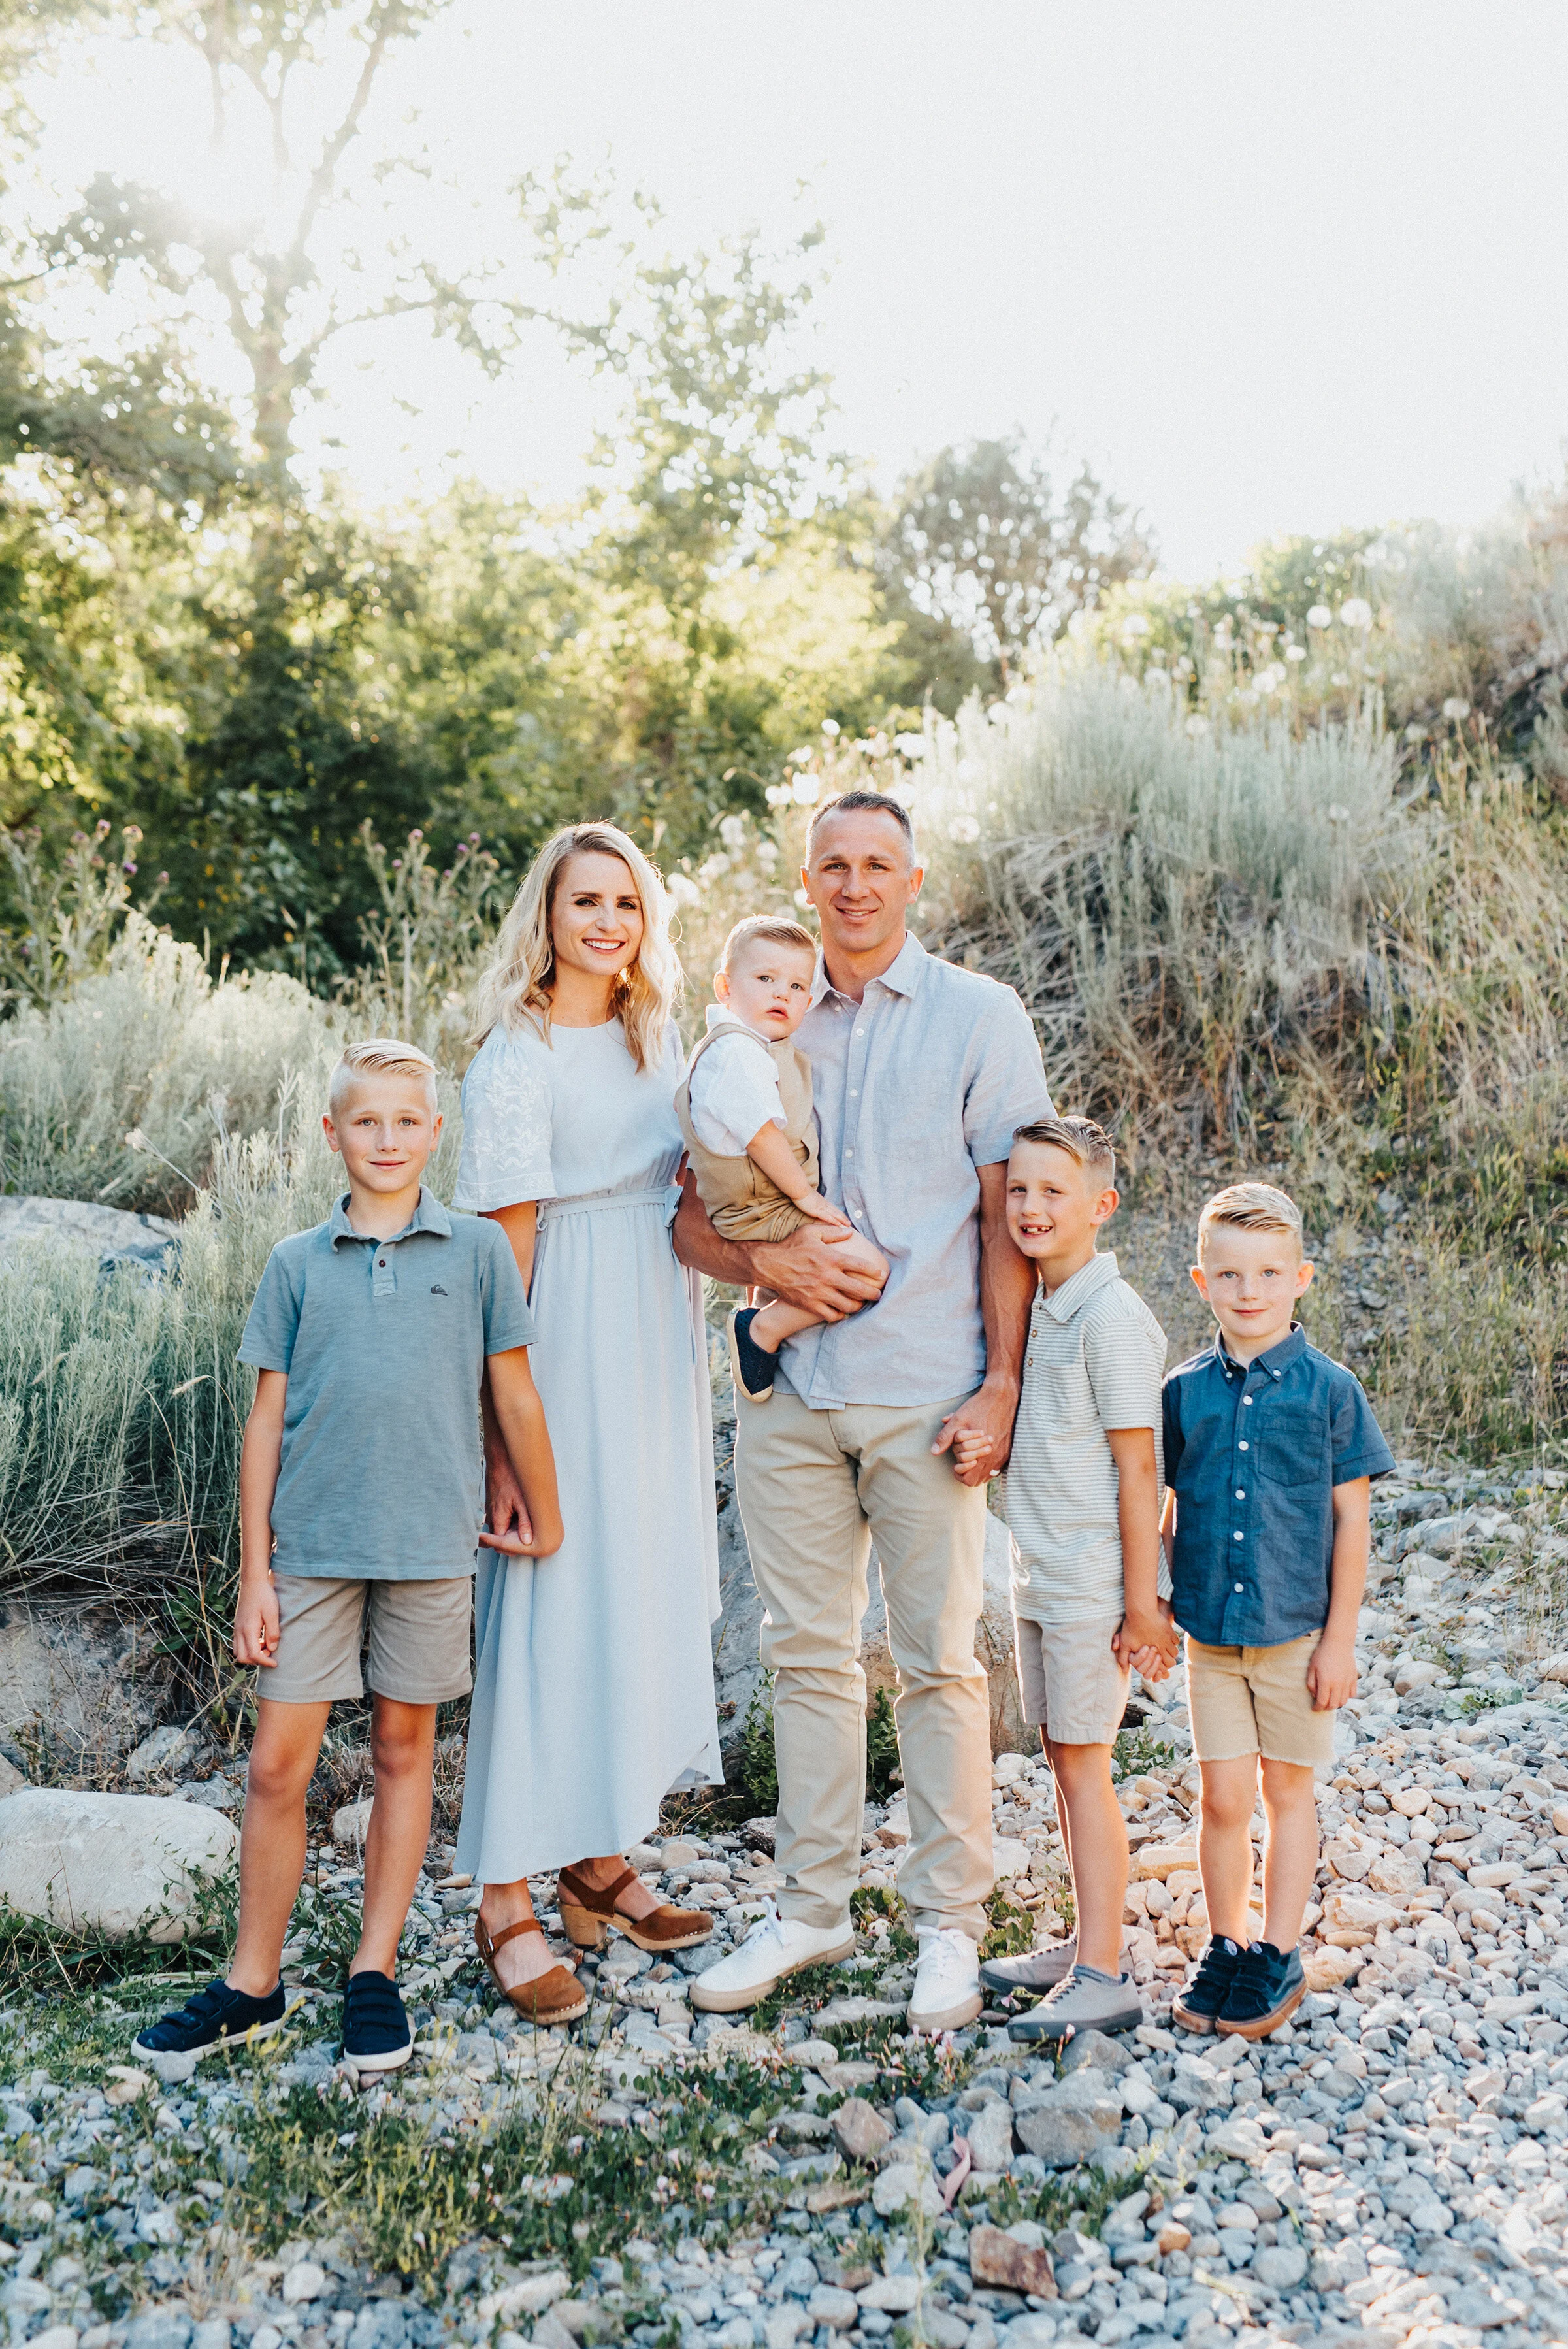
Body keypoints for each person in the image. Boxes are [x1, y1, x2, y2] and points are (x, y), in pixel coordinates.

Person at [674, 789, 1053, 2033]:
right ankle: (812, 1907)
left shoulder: (978, 1018)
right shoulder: (757, 1016)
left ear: (913, 878)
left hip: (928, 1393)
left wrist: (1002, 1382)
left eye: (876, 864)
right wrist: (768, 1273)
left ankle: (948, 1921)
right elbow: (687, 1215)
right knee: (804, 1655)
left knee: (942, 1659)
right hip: (791, 1401)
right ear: (807, 876)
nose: (852, 885)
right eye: (831, 865)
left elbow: (1012, 1216)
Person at [135, 1039, 563, 2071]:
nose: (386, 1139)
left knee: (403, 1752)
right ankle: (252, 1980)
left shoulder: (474, 1254)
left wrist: (544, 1513)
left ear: (435, 1133)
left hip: (428, 1549)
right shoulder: (294, 1261)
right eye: (365, 1121)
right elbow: (263, 1423)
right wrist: (253, 1569)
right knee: (277, 1763)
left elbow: (509, 1392)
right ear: (332, 1133)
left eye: (406, 1121)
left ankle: (374, 1971)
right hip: (313, 1551)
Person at [455, 822, 723, 2022]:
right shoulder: (514, 1058)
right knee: (548, 1596)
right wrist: (499, 1437)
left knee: (636, 1586)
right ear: (547, 916)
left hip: (654, 1342)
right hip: (557, 1335)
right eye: (584, 902)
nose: (606, 922)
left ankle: (598, 1853)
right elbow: (500, 1259)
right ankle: (503, 1892)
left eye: (626, 902)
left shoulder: (653, 1034)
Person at [962, 1115, 1178, 2040]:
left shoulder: (1112, 1318)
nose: (1032, 1206)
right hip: (1039, 1575)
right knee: (1061, 1758)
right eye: (1019, 1189)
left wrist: (1143, 1602)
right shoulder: (1038, 1305)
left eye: (1055, 1191)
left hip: (1095, 1585)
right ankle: (1081, 1939)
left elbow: (1141, 1469)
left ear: (1102, 1204)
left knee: (1087, 1768)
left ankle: (1104, 1971)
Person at [1163, 1181, 1394, 2039]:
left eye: (1266, 1272)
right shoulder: (1183, 1391)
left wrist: (1340, 1640)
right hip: (1211, 1638)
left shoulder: (1332, 1390)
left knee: (1285, 1790)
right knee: (1223, 1794)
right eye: (1229, 1274)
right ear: (1202, 1281)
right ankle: (1226, 1940)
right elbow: (1171, 1503)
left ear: (1300, 1277)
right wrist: (1154, 1600)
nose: (1248, 1290)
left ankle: (1278, 1950)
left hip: (1297, 1634)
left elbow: (1352, 1518)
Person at [675, 913, 889, 1403]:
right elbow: (763, 1138)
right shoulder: (737, 1055)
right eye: (765, 979)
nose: (781, 994)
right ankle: (761, 1331)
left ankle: (767, 1318)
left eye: (796, 986)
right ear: (725, 987)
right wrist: (806, 1199)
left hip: (760, 1203)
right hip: (763, 1207)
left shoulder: (754, 1049)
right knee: (868, 1271)